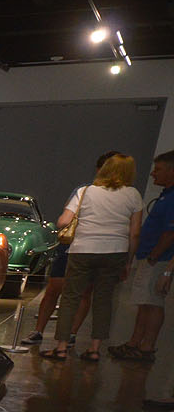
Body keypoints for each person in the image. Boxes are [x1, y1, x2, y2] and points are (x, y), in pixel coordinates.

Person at [41, 153, 142, 361]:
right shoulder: (133, 195)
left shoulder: (85, 192)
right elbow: (134, 233)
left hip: (83, 249)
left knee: (70, 298)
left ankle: (60, 347)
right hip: (115, 251)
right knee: (104, 300)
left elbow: (63, 222)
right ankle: (95, 349)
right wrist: (129, 261)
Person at [22, 150, 122, 346]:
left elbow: (63, 220)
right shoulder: (90, 191)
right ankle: (46, 332)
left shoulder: (93, 192)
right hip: (85, 247)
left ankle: (66, 336)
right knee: (59, 290)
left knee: (77, 292)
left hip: (84, 247)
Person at [109, 150, 174, 362]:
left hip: (157, 259)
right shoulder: (166, 195)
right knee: (144, 302)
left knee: (153, 303)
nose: (153, 174)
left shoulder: (172, 198)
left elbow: (170, 232)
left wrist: (155, 256)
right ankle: (134, 343)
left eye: (159, 169)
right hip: (150, 256)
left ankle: (146, 347)